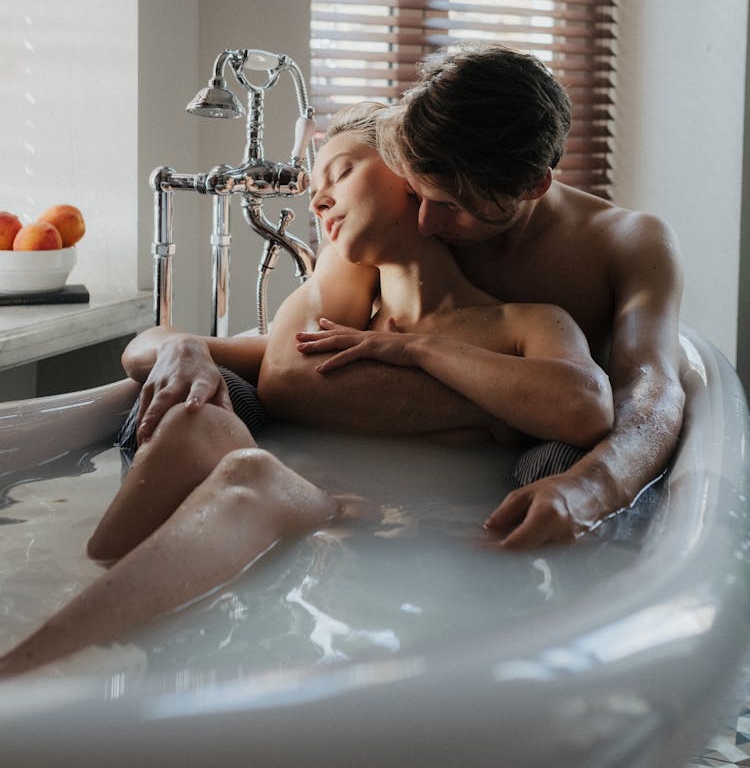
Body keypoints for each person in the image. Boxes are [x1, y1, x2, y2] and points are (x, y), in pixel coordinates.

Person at [0, 103, 611, 676]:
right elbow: (145, 349)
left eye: (341, 172)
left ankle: (30, 677)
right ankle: (57, 627)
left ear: (415, 176)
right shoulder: (337, 334)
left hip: (410, 539)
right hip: (298, 525)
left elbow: (585, 404)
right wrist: (186, 347)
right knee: (198, 424)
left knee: (252, 475)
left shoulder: (525, 323)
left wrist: (420, 349)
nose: (318, 197)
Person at [121, 42, 684, 547]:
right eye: (414, 189)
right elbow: (290, 372)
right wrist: (514, 411)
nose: (423, 218)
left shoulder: (626, 244)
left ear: (534, 185)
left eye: (451, 206)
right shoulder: (388, 225)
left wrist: (593, 488)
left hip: (498, 489)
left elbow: (649, 394)